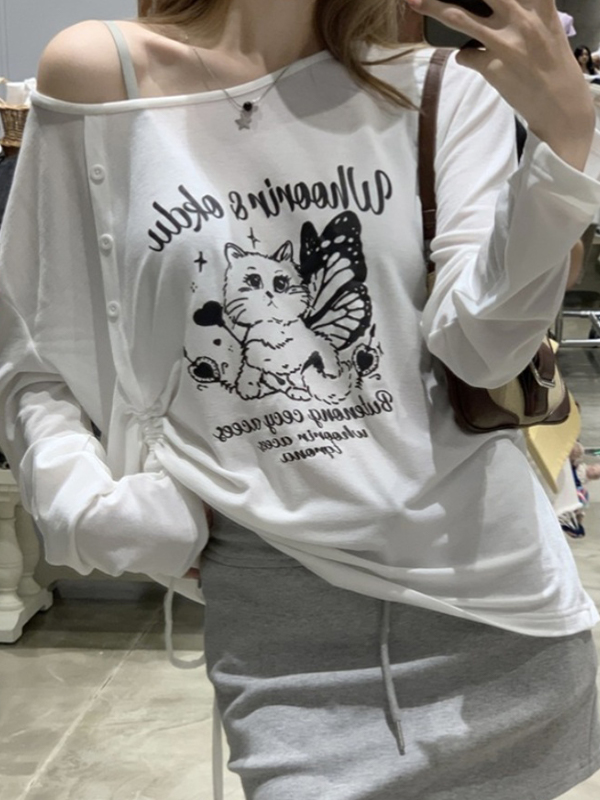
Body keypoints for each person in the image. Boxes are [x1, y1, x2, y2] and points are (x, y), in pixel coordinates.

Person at [1, 1, 599, 798]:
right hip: (281, 633)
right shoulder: (103, 76)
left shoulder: (440, 84)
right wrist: (84, 511)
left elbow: (482, 349)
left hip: (498, 613)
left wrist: (566, 140)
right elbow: (33, 355)